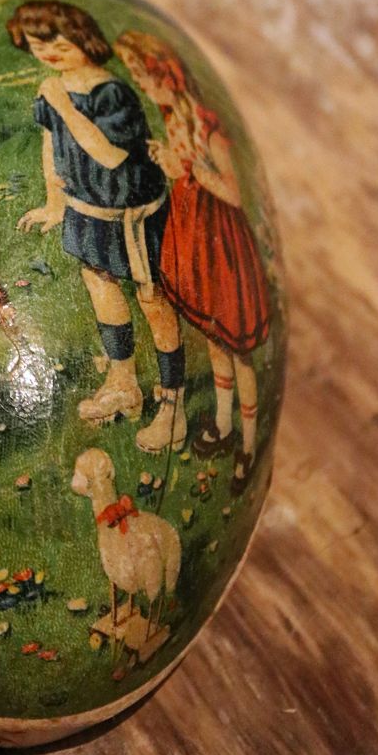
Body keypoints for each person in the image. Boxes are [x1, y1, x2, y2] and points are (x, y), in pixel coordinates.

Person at [7, 0, 186, 452]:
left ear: (82, 38)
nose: (47, 52)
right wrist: (54, 204)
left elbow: (109, 155)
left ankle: (173, 404)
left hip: (131, 211)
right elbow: (52, 146)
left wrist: (64, 105)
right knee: (100, 283)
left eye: (56, 41)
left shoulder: (110, 94)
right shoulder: (54, 89)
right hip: (88, 208)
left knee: (150, 297)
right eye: (37, 45)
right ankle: (123, 382)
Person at [114, 30, 271, 493]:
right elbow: (183, 170)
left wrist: (190, 170)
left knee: (237, 346)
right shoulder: (172, 116)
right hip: (193, 234)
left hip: (221, 243)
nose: (143, 86)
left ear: (167, 76)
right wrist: (171, 164)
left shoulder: (209, 128)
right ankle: (222, 424)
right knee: (212, 335)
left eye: (145, 77)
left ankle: (248, 444)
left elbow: (233, 193)